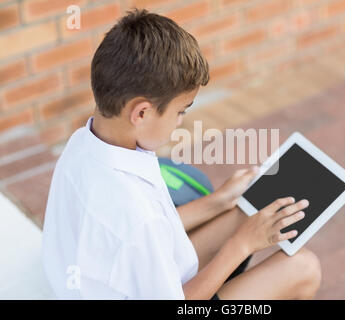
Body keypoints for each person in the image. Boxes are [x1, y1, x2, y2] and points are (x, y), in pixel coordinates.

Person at [42, 9, 321, 300]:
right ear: (141, 112)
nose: (180, 122)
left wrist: (218, 201)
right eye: (180, 111)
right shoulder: (135, 213)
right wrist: (242, 245)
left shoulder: (83, 144)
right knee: (304, 268)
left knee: (243, 212)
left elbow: (149, 233)